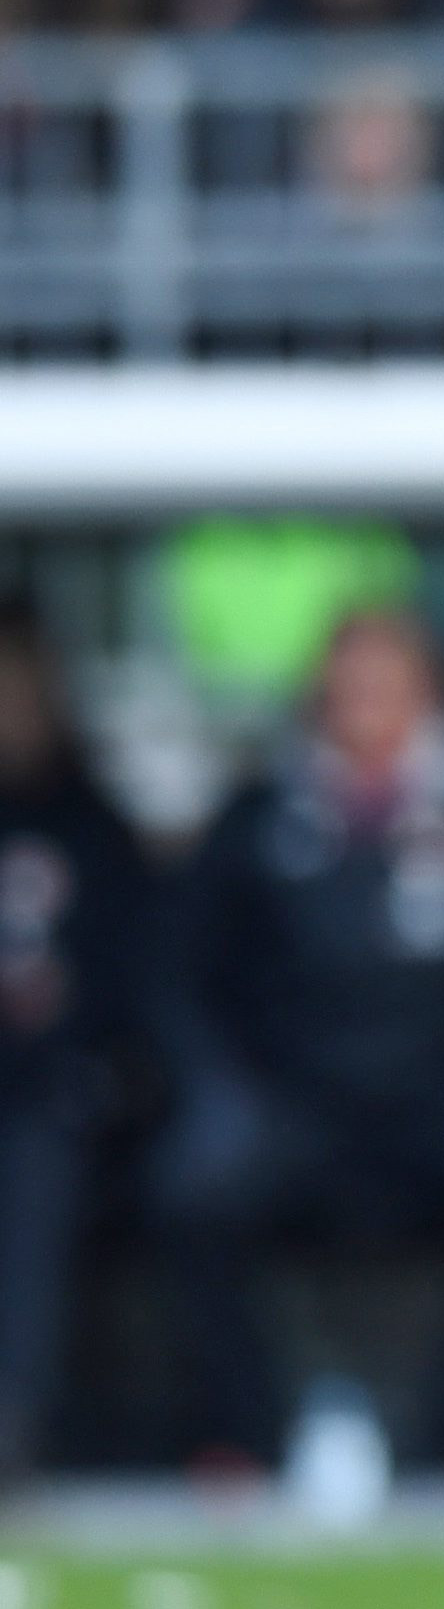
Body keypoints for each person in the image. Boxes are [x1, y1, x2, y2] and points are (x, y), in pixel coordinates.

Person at [159, 609, 444, 1473]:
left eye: (390, 687)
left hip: (442, 1101)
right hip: (293, 1103)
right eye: (350, 687)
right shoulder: (259, 819)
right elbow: (183, 972)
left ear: (433, 697)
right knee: (190, 1190)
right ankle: (247, 1435)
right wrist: (220, 1088)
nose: (368, 707)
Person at [0, 599, 153, 1488]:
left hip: (51, 1095)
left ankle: (14, 1414)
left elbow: (129, 982)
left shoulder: (90, 825)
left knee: (35, 1154)